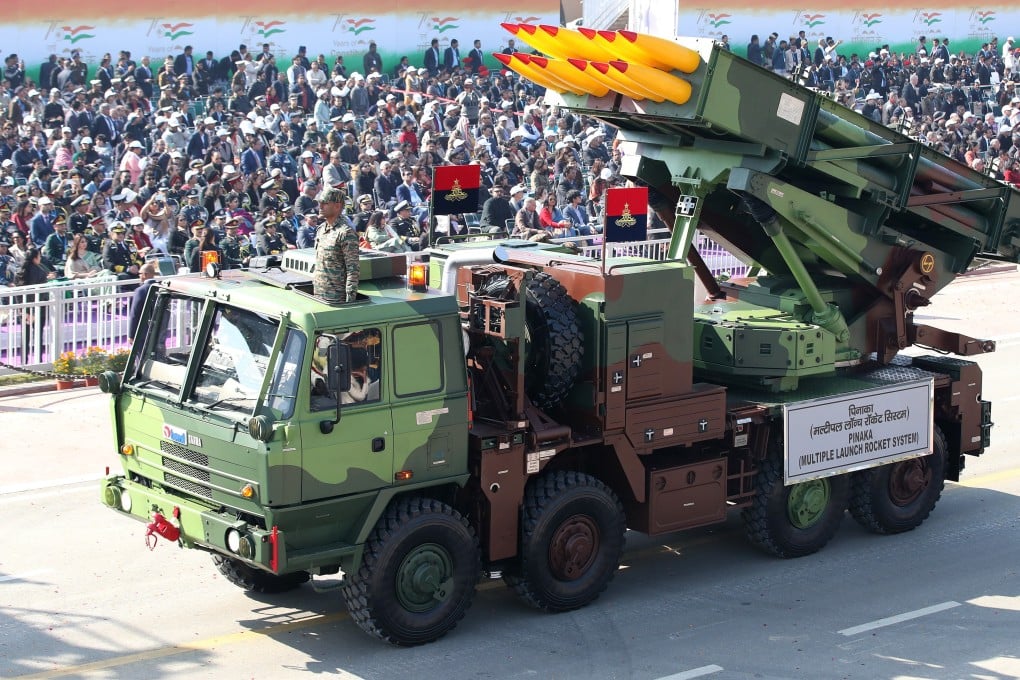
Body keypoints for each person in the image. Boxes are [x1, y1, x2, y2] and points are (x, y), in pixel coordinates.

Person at [313, 187, 359, 303]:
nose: (320, 207)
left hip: (336, 298)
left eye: (325, 203)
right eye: (320, 203)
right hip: (319, 294)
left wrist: (350, 300)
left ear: (337, 206)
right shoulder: (321, 229)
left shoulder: (345, 232)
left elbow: (352, 269)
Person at [128, 261, 157, 343]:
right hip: (158, 332)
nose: (139, 275)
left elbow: (135, 314)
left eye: (140, 273)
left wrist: (131, 335)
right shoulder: (160, 287)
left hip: (143, 334)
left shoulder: (140, 291)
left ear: (145, 274)